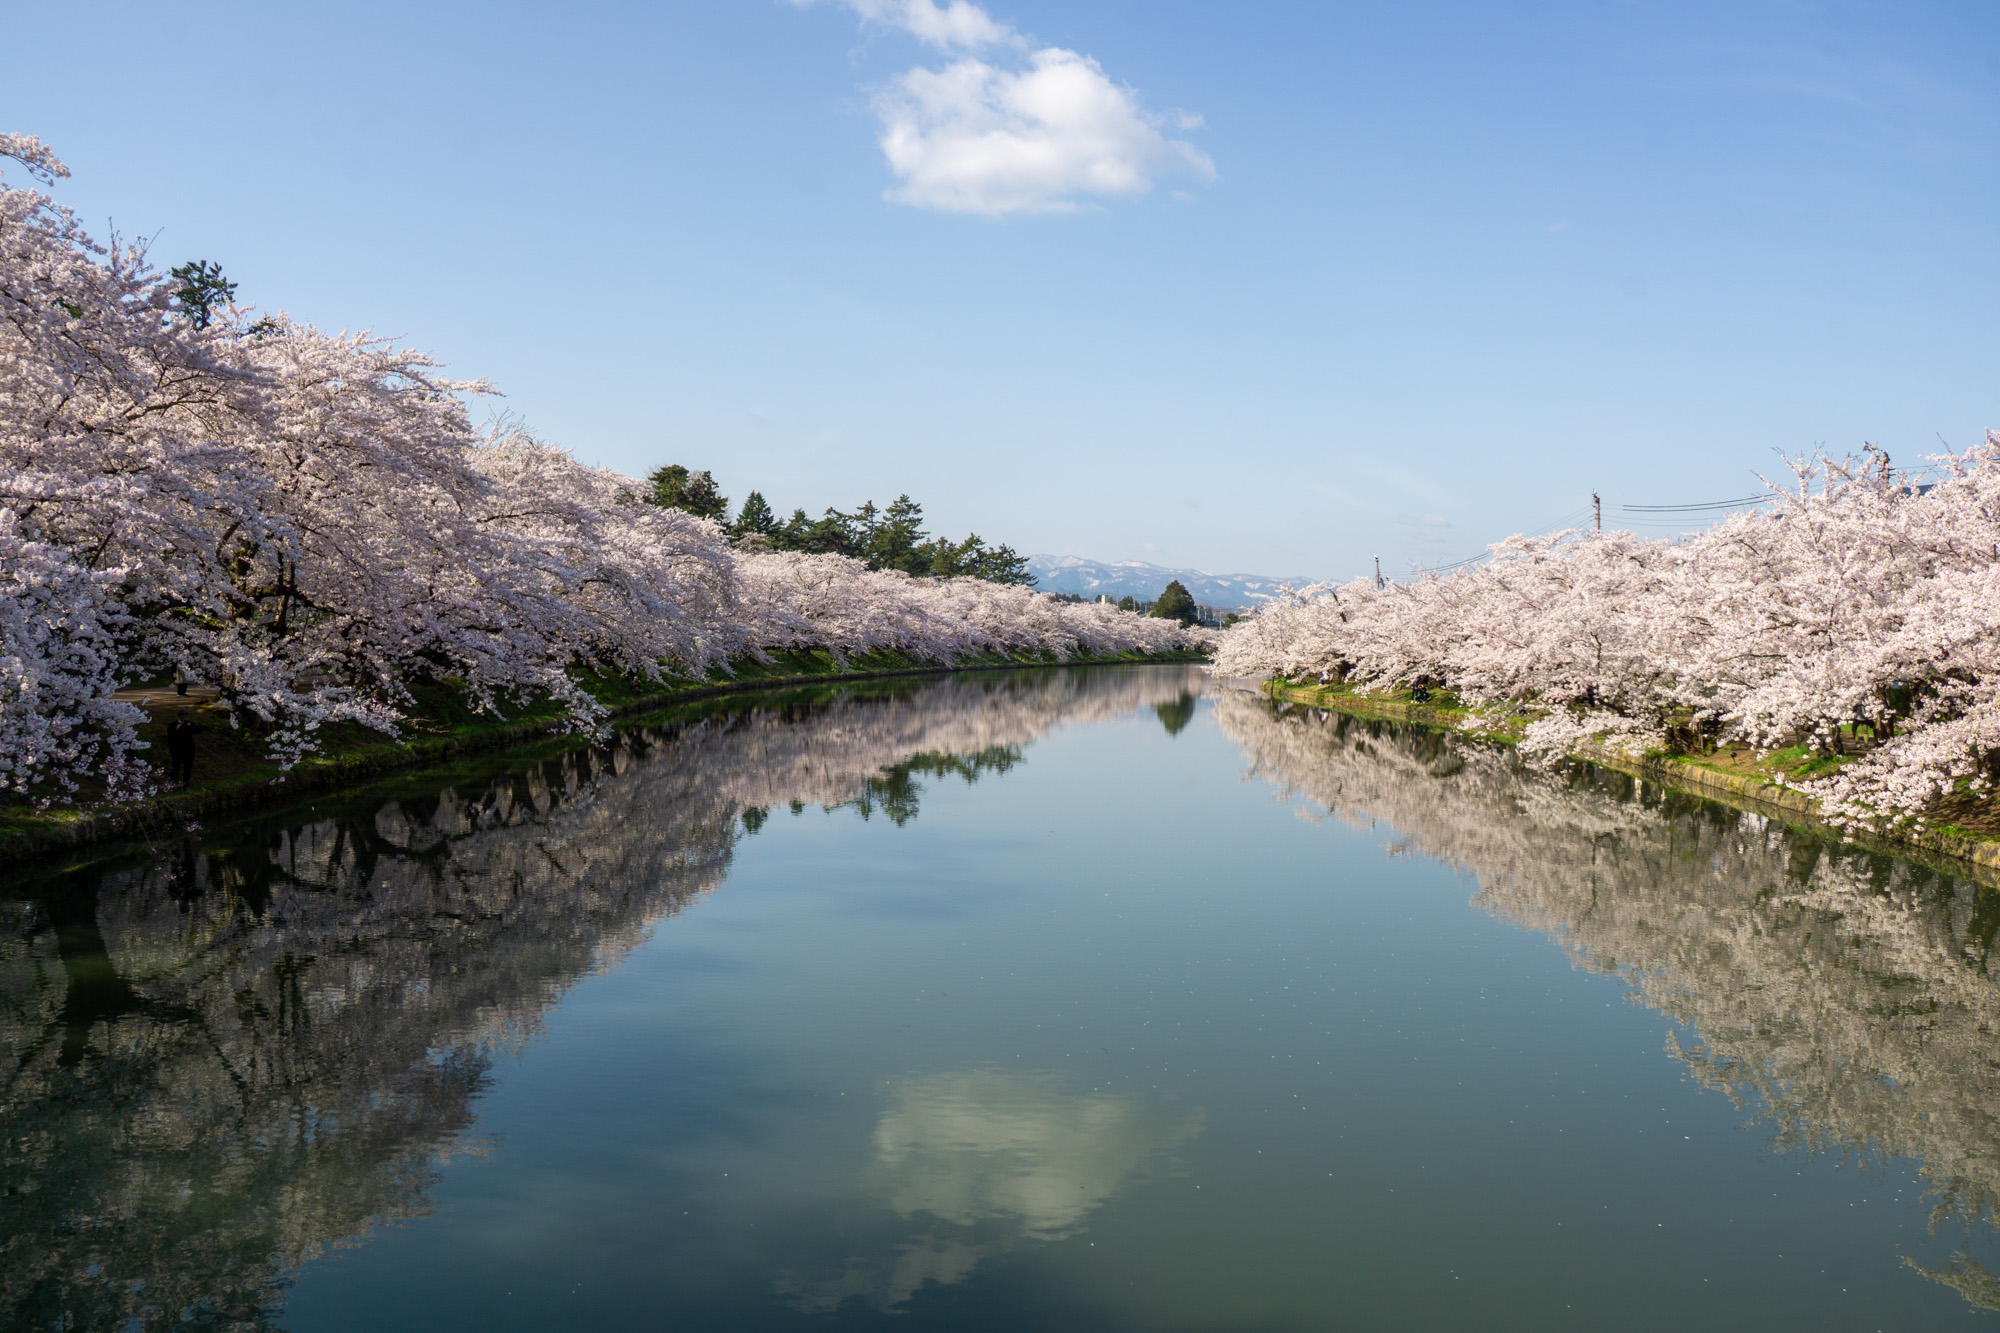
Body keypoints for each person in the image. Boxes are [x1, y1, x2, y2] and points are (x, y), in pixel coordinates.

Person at [166, 715, 196, 787]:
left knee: (187, 769)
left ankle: (185, 785)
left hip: (188, 751)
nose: (184, 717)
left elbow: (197, 730)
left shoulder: (189, 724)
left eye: (185, 716)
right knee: (175, 768)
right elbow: (170, 735)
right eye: (182, 716)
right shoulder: (173, 725)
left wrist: (188, 726)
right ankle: (171, 784)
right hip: (178, 751)